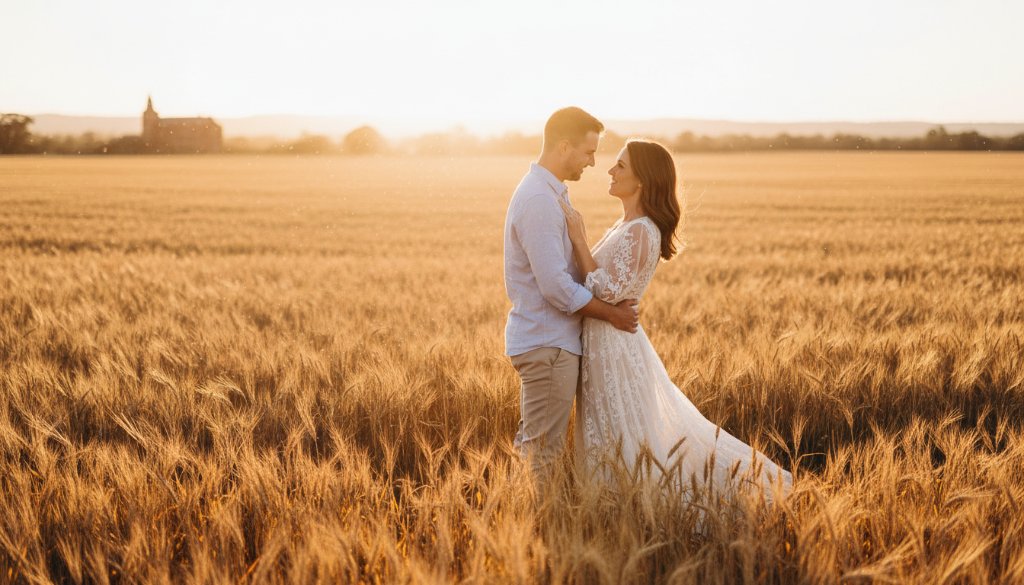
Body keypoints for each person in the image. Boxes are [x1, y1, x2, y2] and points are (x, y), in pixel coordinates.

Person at [559, 138, 793, 499]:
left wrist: (578, 239)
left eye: (620, 165)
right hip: (605, 343)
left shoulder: (641, 230)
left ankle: (636, 505)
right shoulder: (628, 225)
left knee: (625, 433)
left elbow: (606, 291)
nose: (610, 170)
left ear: (642, 180)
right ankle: (613, 506)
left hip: (615, 347)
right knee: (613, 429)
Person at [503, 107, 640, 490]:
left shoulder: (548, 193)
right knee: (541, 454)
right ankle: (531, 530)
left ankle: (524, 525)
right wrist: (611, 314)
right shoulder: (539, 201)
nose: (594, 163)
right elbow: (555, 287)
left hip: (549, 343)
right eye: (588, 152)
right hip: (548, 344)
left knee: (536, 449)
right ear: (564, 147)